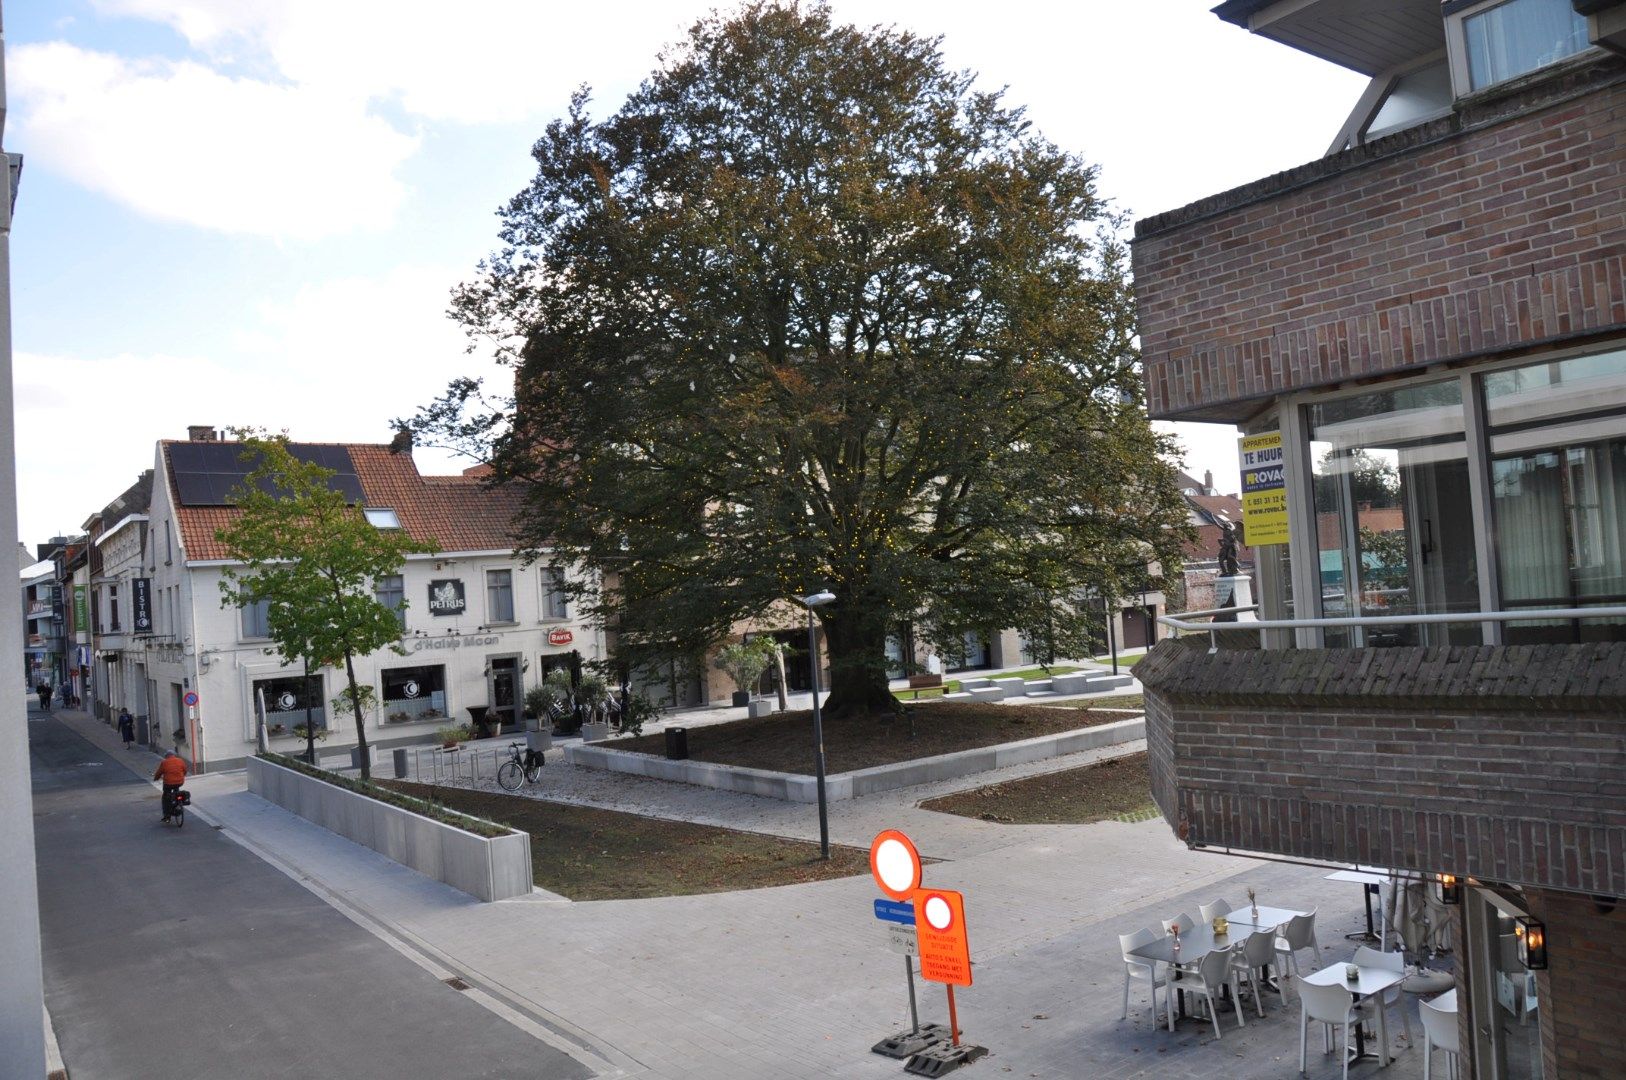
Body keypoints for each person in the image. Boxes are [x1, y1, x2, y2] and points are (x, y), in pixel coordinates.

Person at [153, 751, 188, 822]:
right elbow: (185, 770)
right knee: (176, 790)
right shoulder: (180, 760)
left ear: (166, 756)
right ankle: (178, 802)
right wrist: (181, 776)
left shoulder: (164, 762)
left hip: (168, 783)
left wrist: (155, 778)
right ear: (174, 755)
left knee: (165, 796)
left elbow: (159, 773)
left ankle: (167, 816)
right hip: (180, 782)